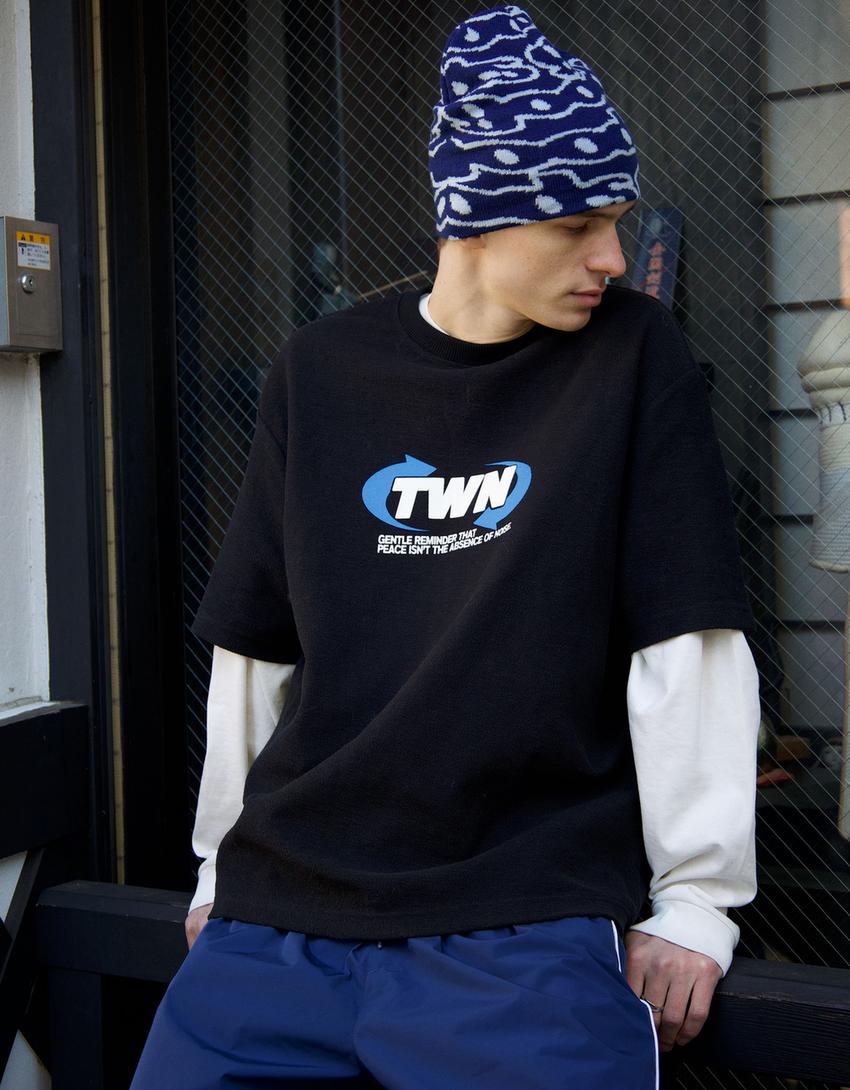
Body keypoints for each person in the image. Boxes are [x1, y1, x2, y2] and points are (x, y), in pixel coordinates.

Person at [129, 5, 761, 1088]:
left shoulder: (631, 359)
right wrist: (215, 869)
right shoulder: (321, 371)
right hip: (284, 911)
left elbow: (685, 629)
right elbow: (256, 645)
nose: (611, 258)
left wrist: (697, 897)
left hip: (522, 915)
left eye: (617, 221)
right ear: (474, 220)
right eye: (576, 225)